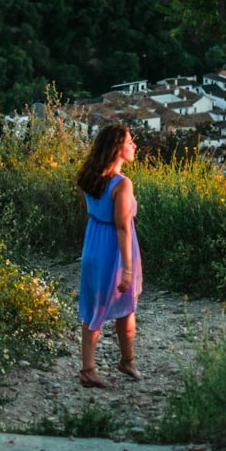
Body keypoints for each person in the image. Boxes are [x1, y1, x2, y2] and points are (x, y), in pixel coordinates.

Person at [76, 123, 143, 389]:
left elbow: (90, 210)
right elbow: (123, 227)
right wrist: (127, 268)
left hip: (93, 244)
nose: (134, 145)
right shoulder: (122, 184)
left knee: (93, 310)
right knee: (126, 306)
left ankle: (89, 368)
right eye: (129, 141)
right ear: (117, 148)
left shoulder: (88, 177)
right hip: (114, 250)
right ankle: (125, 361)